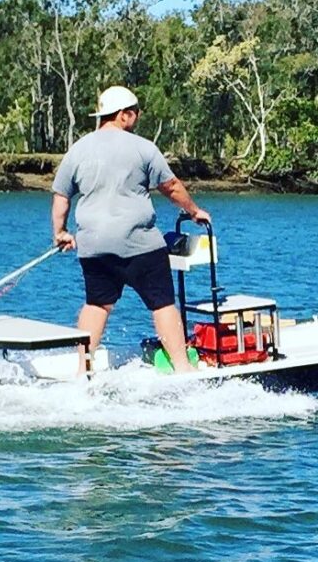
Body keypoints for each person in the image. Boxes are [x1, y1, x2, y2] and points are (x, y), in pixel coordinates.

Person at [51, 85, 211, 374]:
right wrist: (194, 211)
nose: (137, 117)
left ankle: (82, 371)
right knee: (162, 303)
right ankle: (182, 368)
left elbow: (61, 196)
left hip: (94, 244)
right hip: (140, 245)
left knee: (97, 305)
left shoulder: (77, 150)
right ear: (123, 115)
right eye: (135, 113)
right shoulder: (143, 148)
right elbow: (171, 187)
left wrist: (61, 232)